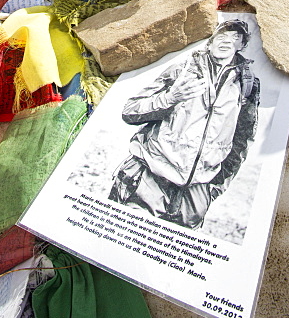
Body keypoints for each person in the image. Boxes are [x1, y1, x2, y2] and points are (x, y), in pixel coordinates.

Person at [109, 21, 259, 229]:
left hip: (195, 194)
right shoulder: (182, 69)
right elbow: (130, 110)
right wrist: (170, 98)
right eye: (222, 35)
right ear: (211, 41)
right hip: (150, 179)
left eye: (235, 37)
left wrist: (212, 190)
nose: (227, 40)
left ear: (242, 45)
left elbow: (242, 140)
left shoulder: (247, 84)